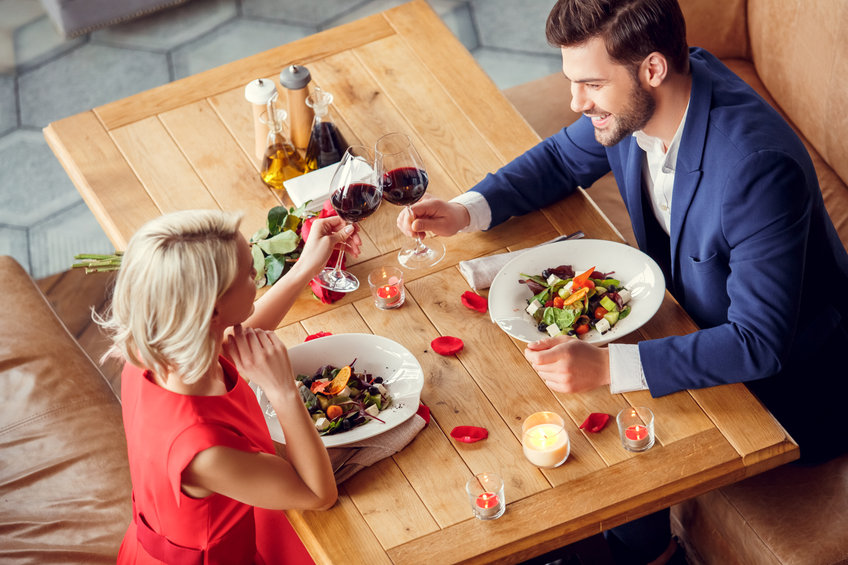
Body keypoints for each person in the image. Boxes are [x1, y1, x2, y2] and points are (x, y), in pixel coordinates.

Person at [398, 0, 848, 562]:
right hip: (684, 321)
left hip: (791, 391)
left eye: (590, 85)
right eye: (572, 82)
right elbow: (563, 158)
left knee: (582, 401)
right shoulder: (644, 106)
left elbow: (758, 343)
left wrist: (609, 366)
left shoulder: (756, 169)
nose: (576, 102)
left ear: (652, 69)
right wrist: (468, 210)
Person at [99, 209, 361, 564]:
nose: (258, 275)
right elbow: (317, 494)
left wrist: (305, 268)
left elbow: (232, 349)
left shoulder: (155, 352)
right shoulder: (205, 453)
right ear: (210, 313)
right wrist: (283, 390)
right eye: (249, 273)